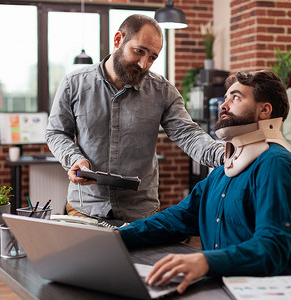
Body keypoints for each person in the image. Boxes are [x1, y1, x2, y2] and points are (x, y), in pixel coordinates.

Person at [117, 70, 291, 294]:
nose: (223, 105)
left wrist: (206, 262)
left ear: (264, 110)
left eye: (236, 98)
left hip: (261, 292)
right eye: (226, 97)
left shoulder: (277, 165)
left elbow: (272, 249)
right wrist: (119, 237)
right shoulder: (222, 173)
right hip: (216, 287)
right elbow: (176, 219)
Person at [46, 14, 224, 223]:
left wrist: (224, 154)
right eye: (139, 51)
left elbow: (188, 134)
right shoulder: (74, 83)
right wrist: (75, 159)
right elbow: (56, 132)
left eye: (152, 57)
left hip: (140, 214)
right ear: (118, 39)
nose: (143, 64)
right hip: (85, 208)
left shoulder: (163, 92)